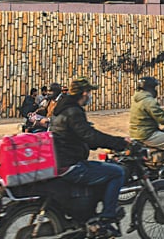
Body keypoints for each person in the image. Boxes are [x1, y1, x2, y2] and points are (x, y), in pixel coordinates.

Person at [50, 78, 129, 238]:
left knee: (100, 170)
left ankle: (90, 218)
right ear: (84, 93)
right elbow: (90, 136)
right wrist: (120, 143)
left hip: (61, 160)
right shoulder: (74, 111)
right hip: (71, 165)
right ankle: (107, 218)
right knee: (117, 172)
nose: (90, 96)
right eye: (90, 93)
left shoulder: (62, 109)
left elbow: (78, 136)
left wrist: (95, 143)